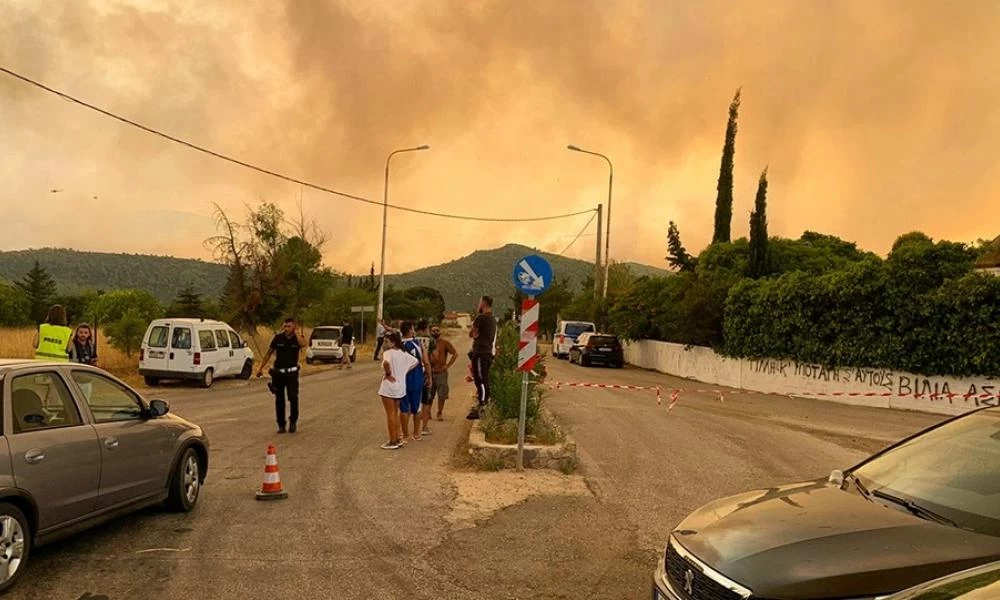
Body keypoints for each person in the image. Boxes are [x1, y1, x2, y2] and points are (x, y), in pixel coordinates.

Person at [256, 318, 306, 434]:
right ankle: (281, 424)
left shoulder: (297, 339)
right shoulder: (278, 338)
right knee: (279, 400)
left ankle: (293, 421)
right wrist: (260, 368)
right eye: (285, 326)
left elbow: (303, 344)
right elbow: (269, 353)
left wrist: (297, 333)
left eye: (289, 326)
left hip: (292, 373)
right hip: (278, 373)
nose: (286, 328)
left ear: (294, 327)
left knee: (293, 397)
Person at [378, 332, 418, 450]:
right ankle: (398, 438)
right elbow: (415, 362)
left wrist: (388, 373)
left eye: (386, 342)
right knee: (395, 413)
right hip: (401, 386)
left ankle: (392, 440)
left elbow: (386, 363)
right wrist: (404, 371)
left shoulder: (388, 353)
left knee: (390, 414)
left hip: (389, 386)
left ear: (393, 342)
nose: (384, 344)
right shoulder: (404, 354)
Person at [466, 296, 497, 420]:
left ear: (483, 303)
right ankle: (483, 404)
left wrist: (474, 334)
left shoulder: (481, 318)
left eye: (480, 302)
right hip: (488, 353)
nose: (478, 305)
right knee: (483, 379)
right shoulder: (492, 319)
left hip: (480, 353)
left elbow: (471, 333)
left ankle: (483, 405)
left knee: (480, 380)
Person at [399, 321, 431, 442]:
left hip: (402, 381)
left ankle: (404, 433)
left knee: (404, 408)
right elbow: (426, 362)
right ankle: (416, 433)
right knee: (417, 408)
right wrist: (429, 377)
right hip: (417, 380)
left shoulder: (398, 344)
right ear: (411, 330)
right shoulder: (418, 344)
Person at [428, 324, 458, 421]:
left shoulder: (445, 343)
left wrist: (447, 365)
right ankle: (427, 412)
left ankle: (439, 412)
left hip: (441, 372)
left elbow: (455, 354)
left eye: (437, 330)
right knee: (429, 394)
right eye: (433, 331)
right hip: (430, 372)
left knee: (442, 394)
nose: (436, 332)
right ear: (430, 332)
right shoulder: (428, 343)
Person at [415, 320, 435, 436]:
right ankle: (424, 427)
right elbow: (432, 357)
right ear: (426, 327)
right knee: (426, 401)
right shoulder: (430, 340)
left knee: (412, 402)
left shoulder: (412, 339)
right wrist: (430, 375)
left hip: (413, 373)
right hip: (425, 372)